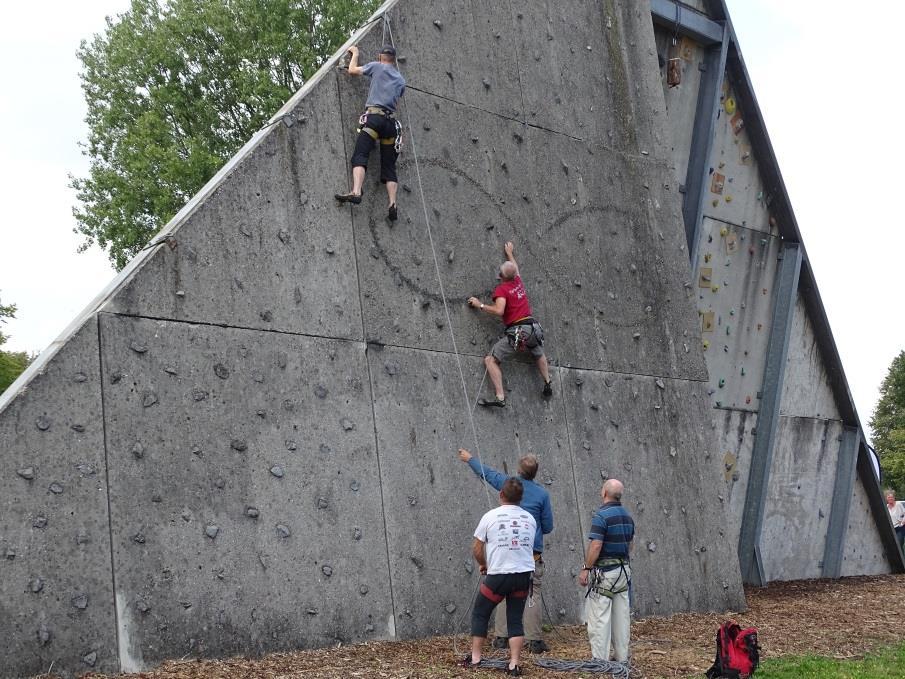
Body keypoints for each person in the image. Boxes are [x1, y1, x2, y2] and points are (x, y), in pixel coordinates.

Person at [458, 448, 554, 653]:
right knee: (531, 595)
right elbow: (548, 526)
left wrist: (470, 459)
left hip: (504, 555)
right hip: (530, 555)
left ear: (518, 471)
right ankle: (534, 640)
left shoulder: (508, 485)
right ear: (535, 473)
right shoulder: (542, 495)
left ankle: (501, 636)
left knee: (502, 592)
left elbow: (488, 473)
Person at [463, 477, 537, 676]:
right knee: (514, 619)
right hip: (523, 575)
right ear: (521, 498)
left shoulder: (490, 516)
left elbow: (477, 547)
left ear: (501, 495)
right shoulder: (530, 519)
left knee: (480, 612)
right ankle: (514, 664)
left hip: (498, 576)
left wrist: (484, 565)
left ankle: (476, 658)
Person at [467, 241, 552, 407]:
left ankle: (500, 397)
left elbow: (499, 311)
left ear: (502, 276)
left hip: (520, 331)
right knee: (538, 352)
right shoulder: (517, 280)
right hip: (534, 328)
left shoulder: (502, 290)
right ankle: (548, 382)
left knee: (490, 360)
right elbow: (515, 267)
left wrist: (480, 305)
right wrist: (510, 253)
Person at [334, 44, 405, 221]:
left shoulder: (376, 66)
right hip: (390, 124)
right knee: (389, 166)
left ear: (381, 56)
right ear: (394, 60)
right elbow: (395, 101)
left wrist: (356, 53)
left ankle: (356, 191)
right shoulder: (401, 80)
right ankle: (392, 203)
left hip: (374, 118)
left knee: (361, 154)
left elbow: (351, 70)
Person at [578, 479, 634, 664]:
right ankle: (622, 658)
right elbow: (630, 545)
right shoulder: (627, 516)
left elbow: (596, 545)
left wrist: (586, 568)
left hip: (605, 572)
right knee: (621, 617)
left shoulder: (601, 516)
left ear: (604, 493)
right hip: (623, 571)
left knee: (599, 616)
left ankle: (600, 660)